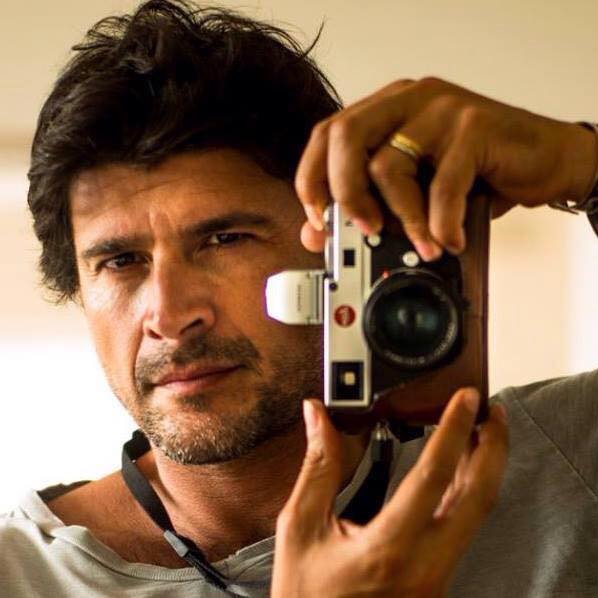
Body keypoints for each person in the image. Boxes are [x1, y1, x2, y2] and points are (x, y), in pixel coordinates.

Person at [0, 0, 596, 596]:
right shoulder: (18, 575)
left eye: (225, 239)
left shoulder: (555, 466)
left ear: (338, 255)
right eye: (120, 261)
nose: (170, 315)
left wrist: (585, 164)